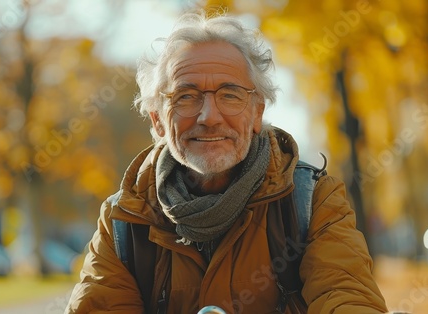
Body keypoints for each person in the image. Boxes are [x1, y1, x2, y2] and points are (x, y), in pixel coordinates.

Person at [65, 11, 388, 314]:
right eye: (186, 96)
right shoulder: (124, 220)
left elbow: (347, 297)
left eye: (230, 95)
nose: (209, 117)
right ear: (158, 121)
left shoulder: (312, 202)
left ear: (257, 113)